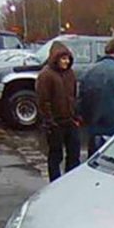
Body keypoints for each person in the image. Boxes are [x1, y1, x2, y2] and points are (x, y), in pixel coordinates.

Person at [35, 41, 80, 181]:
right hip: (55, 123)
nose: (66, 62)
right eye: (63, 58)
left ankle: (70, 180)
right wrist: (49, 121)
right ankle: (54, 181)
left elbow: (74, 95)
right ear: (56, 58)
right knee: (56, 155)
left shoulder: (70, 73)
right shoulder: (46, 75)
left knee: (74, 154)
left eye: (68, 58)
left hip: (70, 120)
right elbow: (43, 100)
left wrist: (76, 116)